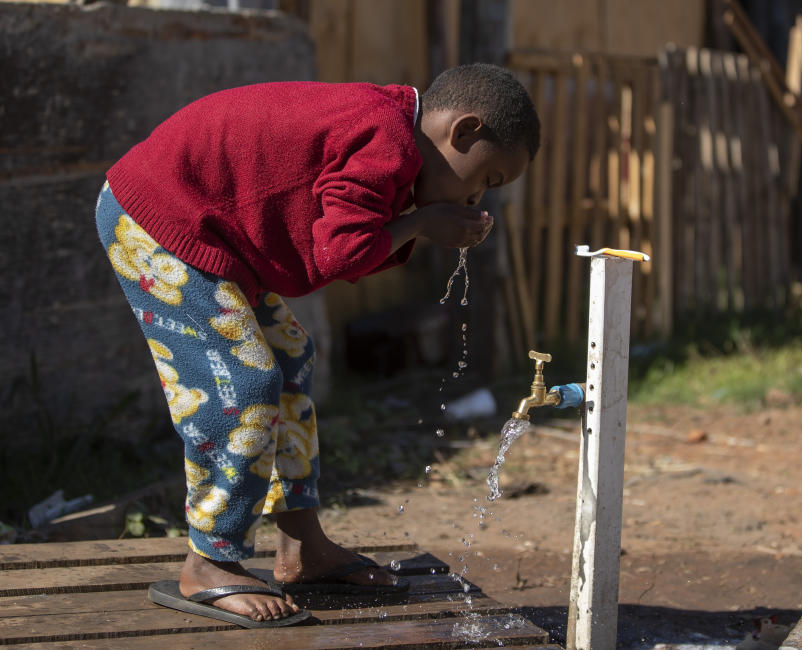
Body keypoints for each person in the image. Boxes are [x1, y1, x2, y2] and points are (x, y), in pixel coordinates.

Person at [94, 63, 540, 627]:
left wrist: (418, 218)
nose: (477, 195)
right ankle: (209, 560)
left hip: (207, 229)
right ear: (464, 132)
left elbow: (319, 255)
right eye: (487, 178)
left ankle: (300, 545)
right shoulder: (387, 141)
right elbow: (339, 256)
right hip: (158, 217)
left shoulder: (390, 128)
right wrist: (423, 221)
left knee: (290, 357)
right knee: (243, 383)